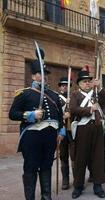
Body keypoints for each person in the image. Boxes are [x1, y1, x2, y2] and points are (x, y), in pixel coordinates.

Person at [9, 58, 65, 200]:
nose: (43, 76)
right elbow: (13, 114)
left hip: (50, 137)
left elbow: (59, 115)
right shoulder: (24, 94)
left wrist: (61, 129)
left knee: (46, 165)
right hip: (32, 137)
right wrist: (30, 115)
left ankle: (46, 197)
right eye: (40, 73)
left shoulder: (53, 95)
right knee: (31, 167)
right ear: (33, 76)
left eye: (45, 73)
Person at [70, 70, 105, 199]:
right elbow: (73, 109)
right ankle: (78, 186)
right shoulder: (75, 95)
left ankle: (98, 186)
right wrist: (89, 109)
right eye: (84, 81)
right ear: (79, 84)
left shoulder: (96, 93)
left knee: (98, 158)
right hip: (82, 128)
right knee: (80, 158)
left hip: (97, 128)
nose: (87, 83)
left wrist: (100, 87)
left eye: (89, 81)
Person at [58, 77, 73, 190]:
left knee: (75, 156)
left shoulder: (73, 97)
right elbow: (54, 113)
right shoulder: (56, 98)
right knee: (63, 156)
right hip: (62, 130)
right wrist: (63, 115)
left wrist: (71, 111)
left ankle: (77, 179)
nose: (64, 87)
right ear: (60, 86)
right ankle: (65, 180)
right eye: (62, 85)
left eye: (66, 85)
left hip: (72, 130)